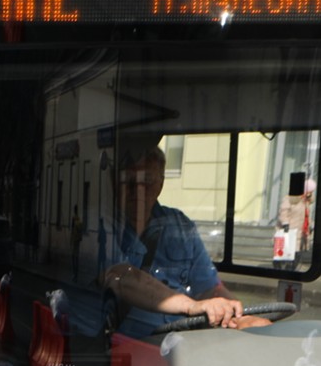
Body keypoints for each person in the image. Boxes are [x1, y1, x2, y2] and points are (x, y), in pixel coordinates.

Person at [95, 144, 265, 336]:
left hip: (183, 341)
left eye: (147, 181)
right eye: (129, 182)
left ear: (161, 184)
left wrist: (239, 317)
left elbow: (208, 288)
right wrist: (191, 306)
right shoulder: (100, 224)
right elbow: (121, 277)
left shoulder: (180, 226)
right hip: (129, 345)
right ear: (114, 183)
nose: (138, 190)